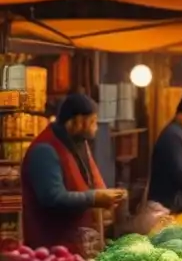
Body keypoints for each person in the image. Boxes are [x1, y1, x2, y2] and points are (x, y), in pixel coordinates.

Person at [21, 93, 124, 252]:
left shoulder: (79, 143)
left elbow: (90, 181)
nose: (96, 127)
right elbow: (52, 198)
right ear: (76, 122)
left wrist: (107, 201)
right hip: (50, 250)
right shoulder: (44, 150)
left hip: (78, 246)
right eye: (92, 122)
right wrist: (94, 198)